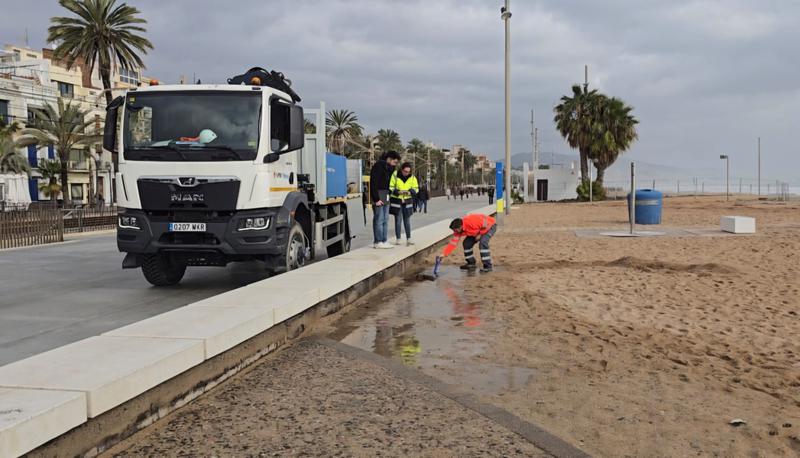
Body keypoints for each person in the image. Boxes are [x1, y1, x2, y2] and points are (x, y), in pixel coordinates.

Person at [370, 151, 401, 249]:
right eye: (395, 162)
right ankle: (378, 241)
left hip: (386, 194)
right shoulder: (379, 166)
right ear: (389, 159)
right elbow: (373, 182)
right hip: (379, 195)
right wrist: (376, 199)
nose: (395, 165)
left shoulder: (389, 169)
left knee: (385, 219)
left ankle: (384, 240)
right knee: (379, 219)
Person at [389, 162, 419, 246]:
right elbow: (391, 187)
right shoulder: (395, 175)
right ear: (401, 169)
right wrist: (398, 192)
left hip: (407, 201)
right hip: (397, 201)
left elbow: (416, 188)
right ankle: (398, 239)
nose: (406, 173)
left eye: (408, 172)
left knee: (407, 220)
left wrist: (409, 192)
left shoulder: (412, 177)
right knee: (398, 220)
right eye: (405, 171)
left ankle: (409, 238)